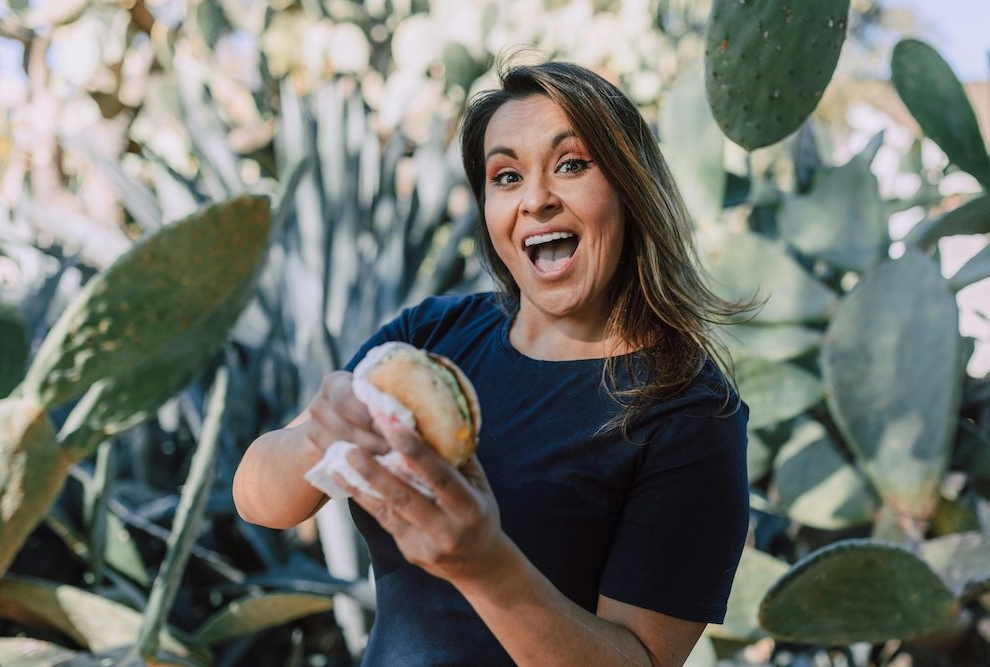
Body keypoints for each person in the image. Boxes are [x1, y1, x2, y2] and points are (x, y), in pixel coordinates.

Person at [233, 60, 750, 667]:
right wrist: (319, 434)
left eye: (571, 165)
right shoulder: (432, 337)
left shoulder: (690, 414)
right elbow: (259, 500)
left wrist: (485, 567)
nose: (535, 199)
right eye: (506, 176)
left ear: (631, 188)